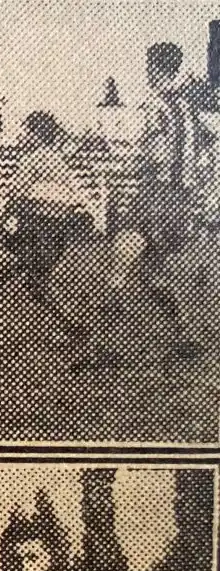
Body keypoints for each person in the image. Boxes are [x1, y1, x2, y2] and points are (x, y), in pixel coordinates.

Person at [89, 41, 215, 370]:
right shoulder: (189, 108)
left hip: (156, 197)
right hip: (181, 202)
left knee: (117, 267)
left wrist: (131, 163)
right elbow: (204, 151)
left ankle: (102, 349)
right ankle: (185, 337)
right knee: (151, 273)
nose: (146, 73)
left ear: (154, 68)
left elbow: (150, 154)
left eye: (149, 67)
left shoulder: (155, 105)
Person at [0, 111, 88, 336]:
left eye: (26, 131)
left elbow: (16, 192)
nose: (22, 135)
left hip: (39, 224)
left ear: (36, 134)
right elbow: (76, 196)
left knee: (32, 276)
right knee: (35, 279)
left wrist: (5, 218)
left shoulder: (33, 159)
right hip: (57, 227)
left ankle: (70, 324)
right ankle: (69, 324)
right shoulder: (57, 160)